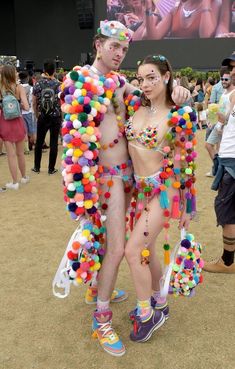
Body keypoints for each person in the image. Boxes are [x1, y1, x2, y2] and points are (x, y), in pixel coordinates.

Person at [58, 20, 190, 356]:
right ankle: (101, 319)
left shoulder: (118, 82)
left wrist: (179, 92)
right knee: (117, 248)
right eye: (114, 46)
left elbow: (153, 98)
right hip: (109, 180)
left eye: (124, 49)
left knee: (133, 243)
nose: (119, 53)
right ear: (97, 44)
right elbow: (74, 145)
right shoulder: (82, 82)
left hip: (133, 179)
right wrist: (84, 200)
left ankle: (105, 291)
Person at [124, 54, 197, 342]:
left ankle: (146, 314)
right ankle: (159, 302)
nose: (145, 83)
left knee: (133, 251)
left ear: (166, 76)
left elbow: (187, 162)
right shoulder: (136, 105)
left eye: (152, 76)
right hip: (138, 192)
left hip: (164, 193)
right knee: (146, 250)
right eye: (141, 78)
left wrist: (189, 206)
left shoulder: (180, 113)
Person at [203, 52, 235, 273]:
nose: (231, 72)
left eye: (234, 68)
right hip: (228, 157)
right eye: (230, 68)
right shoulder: (232, 96)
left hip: (233, 160)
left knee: (226, 209)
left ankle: (227, 261)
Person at [0, 65, 30, 190]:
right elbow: (27, 107)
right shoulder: (19, 88)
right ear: (12, 74)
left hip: (5, 123)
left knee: (10, 155)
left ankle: (14, 182)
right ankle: (23, 177)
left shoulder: (0, 88)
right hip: (18, 122)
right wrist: (20, 105)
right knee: (20, 153)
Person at [32, 60, 61, 174]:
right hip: (55, 116)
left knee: (39, 142)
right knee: (54, 142)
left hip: (42, 116)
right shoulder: (58, 85)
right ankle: (51, 168)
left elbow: (34, 102)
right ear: (54, 71)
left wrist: (36, 114)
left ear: (44, 71)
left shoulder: (38, 84)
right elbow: (61, 102)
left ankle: (37, 167)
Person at [205, 67, 235, 177]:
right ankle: (217, 168)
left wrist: (222, 124)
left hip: (226, 126)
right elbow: (221, 109)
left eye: (226, 79)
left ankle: (219, 170)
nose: (223, 81)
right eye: (222, 79)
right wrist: (212, 117)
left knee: (219, 149)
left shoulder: (233, 93)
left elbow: (230, 114)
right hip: (219, 124)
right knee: (209, 145)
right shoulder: (224, 93)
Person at [144, 0, 221, 40]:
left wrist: (205, 3)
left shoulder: (215, 4)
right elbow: (153, 37)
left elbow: (206, 37)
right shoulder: (176, 8)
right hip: (176, 61)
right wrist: (148, 9)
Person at [18, 70, 36, 154]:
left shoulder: (17, 88)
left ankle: (26, 149)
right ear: (28, 78)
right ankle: (34, 145)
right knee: (32, 130)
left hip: (20, 112)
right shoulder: (32, 88)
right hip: (30, 111)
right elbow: (34, 100)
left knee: (24, 130)